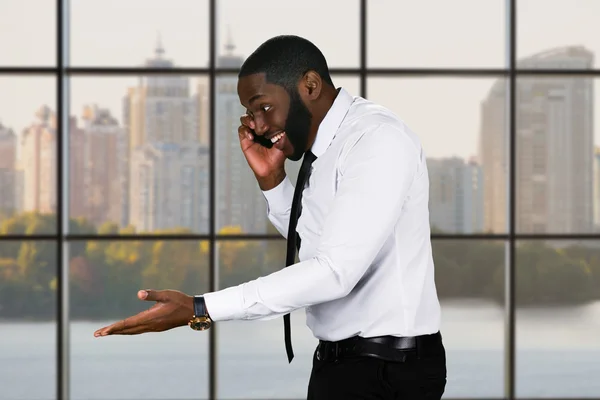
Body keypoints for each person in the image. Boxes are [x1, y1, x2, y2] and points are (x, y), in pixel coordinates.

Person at [94, 35, 447, 399]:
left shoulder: (376, 139)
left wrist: (202, 308)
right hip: (343, 364)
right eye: (251, 113)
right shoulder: (326, 147)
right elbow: (314, 244)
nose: (258, 126)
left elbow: (334, 272)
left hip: (388, 370)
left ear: (309, 85)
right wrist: (273, 183)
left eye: (263, 107)